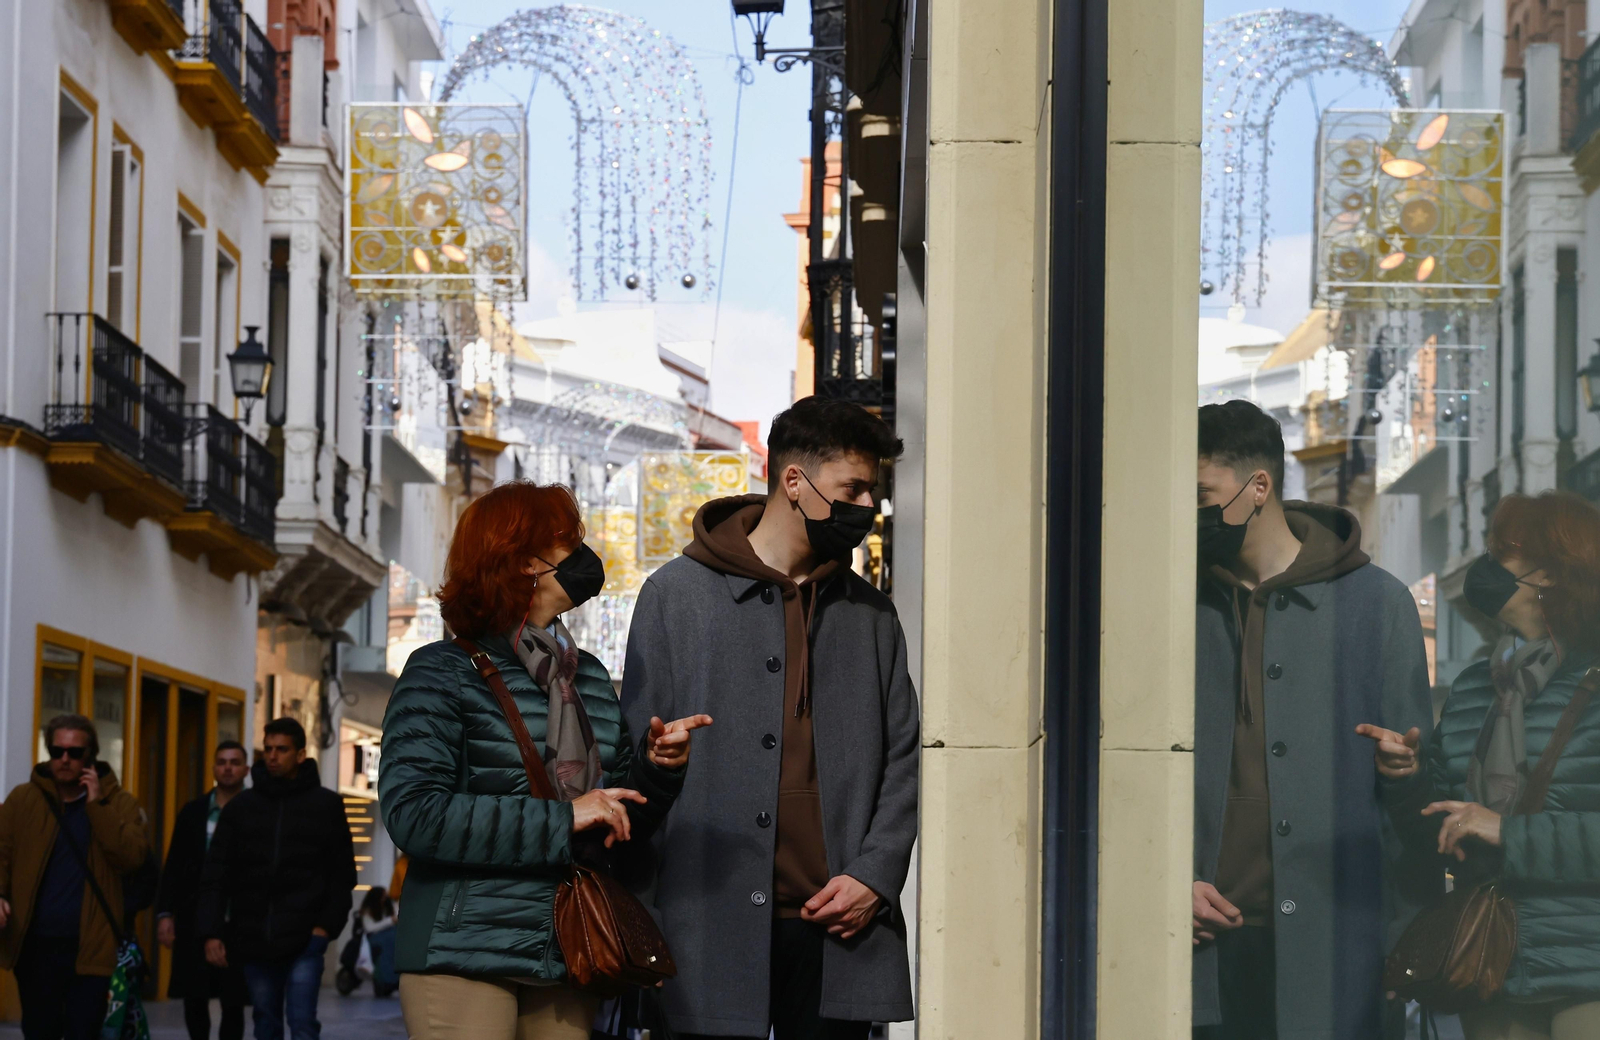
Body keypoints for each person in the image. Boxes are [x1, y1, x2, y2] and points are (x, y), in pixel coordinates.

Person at [621, 396, 920, 1039]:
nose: (868, 507)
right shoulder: (673, 597)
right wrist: (655, 761)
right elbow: (628, 770)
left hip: (840, 928)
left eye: (873, 490)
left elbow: (904, 759)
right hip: (705, 928)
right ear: (794, 481)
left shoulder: (870, 614)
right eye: (854, 488)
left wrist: (875, 876)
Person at [379, 481, 709, 1040]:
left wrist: (659, 769)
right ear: (520, 560)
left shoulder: (590, 679)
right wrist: (564, 818)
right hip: (463, 948)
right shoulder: (441, 671)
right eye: (564, 542)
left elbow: (616, 821)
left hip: (569, 944)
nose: (580, 554)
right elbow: (415, 814)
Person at [1191, 400, 1435, 1040]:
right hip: (1198, 943)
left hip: (1333, 947)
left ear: (1259, 486)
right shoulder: (1172, 601)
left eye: (1202, 494)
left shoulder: (1377, 605)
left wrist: (1406, 769)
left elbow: (1419, 800)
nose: (1192, 514)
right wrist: (1159, 881)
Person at [1365, 491, 1600, 1040]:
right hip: (1490, 961)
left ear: (1556, 570)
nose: (1487, 566)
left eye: (1505, 552)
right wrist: (1407, 778)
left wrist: (1508, 832)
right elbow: (1440, 833)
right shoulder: (1478, 686)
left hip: (1588, 969)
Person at [196, 718, 355, 1040]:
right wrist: (212, 931)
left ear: (300, 754)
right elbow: (216, 873)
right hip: (254, 936)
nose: (272, 756)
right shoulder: (242, 808)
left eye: (281, 749)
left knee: (302, 1024)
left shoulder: (326, 805)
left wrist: (325, 927)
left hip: (306, 938)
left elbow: (342, 873)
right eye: (267, 749)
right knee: (265, 1024)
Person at [0, 714, 150, 1040]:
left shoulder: (119, 803)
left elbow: (131, 857)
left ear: (90, 756)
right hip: (35, 947)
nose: (64, 759)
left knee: (84, 1033)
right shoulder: (23, 800)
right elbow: (2, 852)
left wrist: (97, 806)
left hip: (93, 949)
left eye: (74, 752)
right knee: (40, 1031)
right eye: (57, 751)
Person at [156, 740, 251, 1040]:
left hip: (239, 922)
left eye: (234, 762)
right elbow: (174, 866)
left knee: (233, 1002)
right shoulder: (193, 812)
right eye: (222, 761)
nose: (227, 767)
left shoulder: (256, 811)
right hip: (192, 919)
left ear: (246, 769)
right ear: (213, 768)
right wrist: (165, 913)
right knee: (193, 997)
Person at [357, 886, 397, 997]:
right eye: (383, 897)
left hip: (387, 937)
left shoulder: (387, 908)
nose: (384, 899)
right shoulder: (368, 911)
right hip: (375, 938)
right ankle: (388, 978)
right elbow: (370, 928)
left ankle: (391, 978)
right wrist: (390, 921)